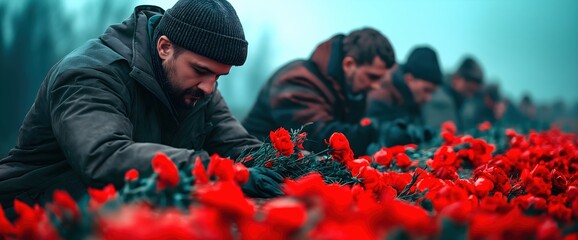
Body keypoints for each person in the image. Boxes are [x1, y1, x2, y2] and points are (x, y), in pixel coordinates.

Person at [0, 0, 284, 219]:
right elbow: (104, 155)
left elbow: (238, 146)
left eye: (218, 77)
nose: (210, 88)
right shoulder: (91, 74)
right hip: (28, 214)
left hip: (109, 213)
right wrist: (220, 171)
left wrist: (297, 167)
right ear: (164, 47)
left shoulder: (196, 90)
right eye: (201, 70)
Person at [242, 28, 396, 155]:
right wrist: (377, 133)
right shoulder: (298, 78)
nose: (376, 86)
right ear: (349, 64)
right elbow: (318, 139)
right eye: (372, 76)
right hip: (251, 164)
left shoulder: (350, 90)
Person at [366, 46, 442, 125]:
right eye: (426, 90)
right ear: (409, 79)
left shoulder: (411, 104)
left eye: (432, 93)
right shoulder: (380, 97)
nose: (428, 98)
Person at [422, 56, 484, 131]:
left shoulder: (461, 101)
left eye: (473, 92)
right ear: (456, 78)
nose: (470, 95)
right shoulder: (439, 101)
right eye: (468, 89)